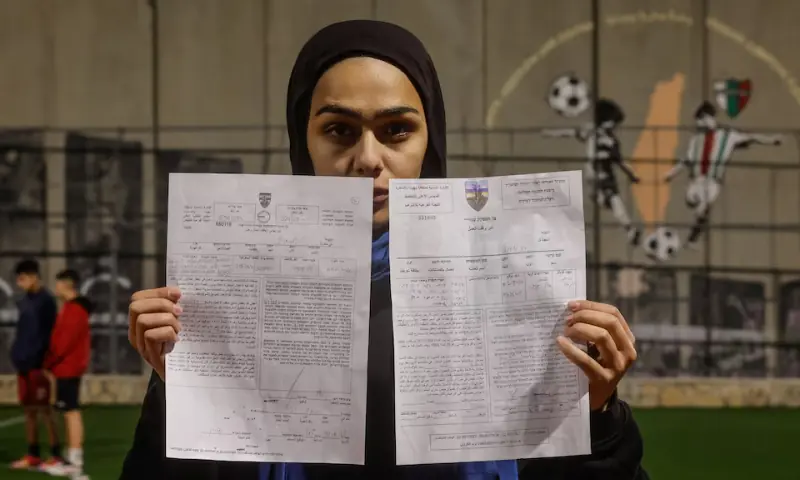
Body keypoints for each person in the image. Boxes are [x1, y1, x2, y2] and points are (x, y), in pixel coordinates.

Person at [120, 20, 647, 480]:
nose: (368, 158)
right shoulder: (228, 299)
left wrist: (599, 417)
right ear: (302, 139)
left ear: (430, 139)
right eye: (339, 130)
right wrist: (183, 394)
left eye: (396, 130)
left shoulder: (519, 285)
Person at [665, 101, 781, 250]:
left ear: (707, 118)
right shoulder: (695, 140)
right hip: (695, 181)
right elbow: (686, 161)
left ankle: (692, 239)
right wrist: (670, 174)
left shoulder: (728, 135)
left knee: (703, 208)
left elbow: (753, 137)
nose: (697, 125)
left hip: (713, 182)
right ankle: (698, 215)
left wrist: (771, 140)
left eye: (699, 121)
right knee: (693, 203)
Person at [543, 99, 642, 247]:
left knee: (614, 201)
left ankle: (630, 230)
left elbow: (620, 162)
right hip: (594, 178)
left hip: (607, 178)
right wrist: (551, 133)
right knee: (607, 201)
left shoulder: (612, 142)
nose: (616, 127)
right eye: (614, 122)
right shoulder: (591, 132)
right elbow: (571, 133)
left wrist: (632, 174)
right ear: (606, 120)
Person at [9, 259, 64, 470]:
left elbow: (48, 335)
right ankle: (33, 454)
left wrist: (44, 361)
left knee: (45, 410)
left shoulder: (46, 301)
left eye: (22, 279)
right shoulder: (24, 301)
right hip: (23, 363)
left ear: (33, 276)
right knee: (29, 410)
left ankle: (56, 454)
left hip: (38, 365)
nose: (20, 283)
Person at [40, 269, 93, 478]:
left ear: (66, 284)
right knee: (69, 411)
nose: (56, 289)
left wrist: (48, 362)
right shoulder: (75, 309)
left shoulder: (74, 310)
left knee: (71, 411)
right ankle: (72, 458)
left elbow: (62, 343)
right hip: (67, 368)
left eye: (58, 284)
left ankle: (75, 460)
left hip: (67, 368)